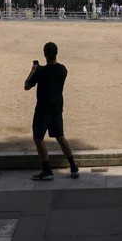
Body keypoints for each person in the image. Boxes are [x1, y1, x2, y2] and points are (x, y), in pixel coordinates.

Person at [24, 42, 78, 181]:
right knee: (60, 136)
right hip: (57, 107)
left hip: (43, 109)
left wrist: (33, 70)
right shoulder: (62, 69)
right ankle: (73, 166)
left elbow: (27, 86)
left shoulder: (40, 72)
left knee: (38, 138)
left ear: (45, 54)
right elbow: (53, 72)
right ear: (56, 53)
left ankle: (47, 169)